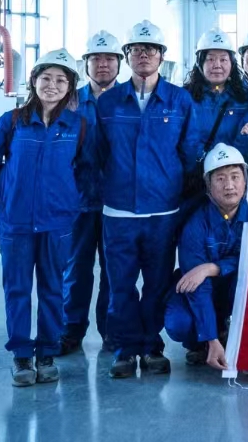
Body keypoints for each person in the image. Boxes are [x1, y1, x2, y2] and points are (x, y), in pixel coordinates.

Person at [88, 20, 200, 379]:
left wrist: (168, 184)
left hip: (162, 211)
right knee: (119, 285)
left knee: (156, 283)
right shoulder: (108, 102)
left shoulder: (180, 100)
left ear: (161, 56)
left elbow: (190, 151)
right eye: (136, 49)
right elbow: (96, 153)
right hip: (118, 211)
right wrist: (110, 186)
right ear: (127, 56)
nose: (143, 55)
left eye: (150, 49)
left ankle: (152, 346)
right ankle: (124, 350)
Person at [0, 49, 86, 387]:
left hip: (57, 223)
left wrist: (69, 201)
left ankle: (47, 352)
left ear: (70, 87)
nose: (53, 85)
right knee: (17, 290)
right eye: (46, 78)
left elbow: (87, 170)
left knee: (53, 289)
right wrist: (7, 195)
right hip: (17, 223)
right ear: (34, 80)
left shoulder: (78, 126)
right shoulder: (13, 122)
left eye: (61, 80)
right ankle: (22, 355)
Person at [164, 143, 248, 370]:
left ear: (245, 180)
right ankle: (203, 342)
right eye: (220, 179)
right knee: (178, 324)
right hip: (205, 293)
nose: (229, 185)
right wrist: (210, 339)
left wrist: (212, 268)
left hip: (234, 290)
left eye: (235, 176)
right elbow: (197, 286)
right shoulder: (195, 225)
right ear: (208, 186)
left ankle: (241, 336)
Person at [61, 30, 121, 356]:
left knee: (115, 271)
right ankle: (70, 330)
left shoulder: (128, 101)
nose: (103, 64)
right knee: (76, 269)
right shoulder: (70, 103)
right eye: (96, 58)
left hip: (117, 203)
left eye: (109, 58)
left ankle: (111, 331)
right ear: (85, 64)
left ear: (119, 63)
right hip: (79, 202)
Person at [184, 29, 248, 162]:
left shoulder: (245, 98)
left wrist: (229, 164)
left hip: (235, 169)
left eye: (223, 59)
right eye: (210, 59)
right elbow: (183, 140)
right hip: (197, 169)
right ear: (200, 63)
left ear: (232, 64)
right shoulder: (185, 98)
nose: (217, 65)